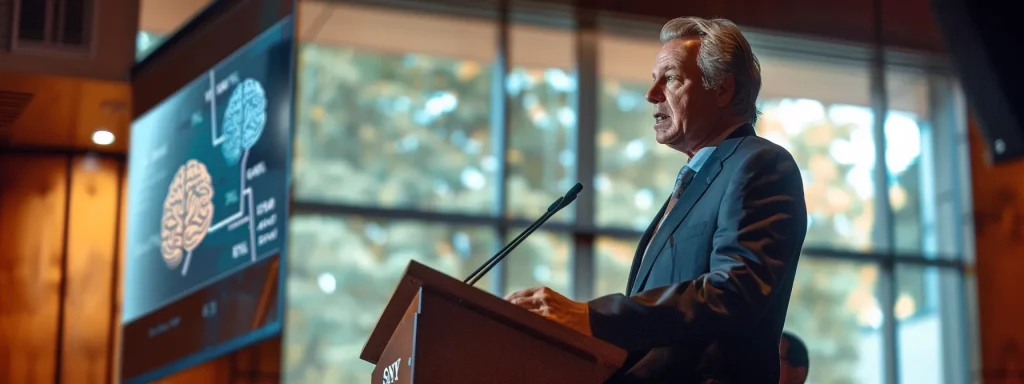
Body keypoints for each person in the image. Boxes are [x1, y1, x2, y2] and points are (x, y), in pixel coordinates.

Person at [505, 16, 808, 383]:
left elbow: (734, 293)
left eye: (671, 78)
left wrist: (593, 317)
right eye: (653, 80)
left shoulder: (760, 164)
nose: (651, 94)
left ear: (723, 90)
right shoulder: (694, 182)